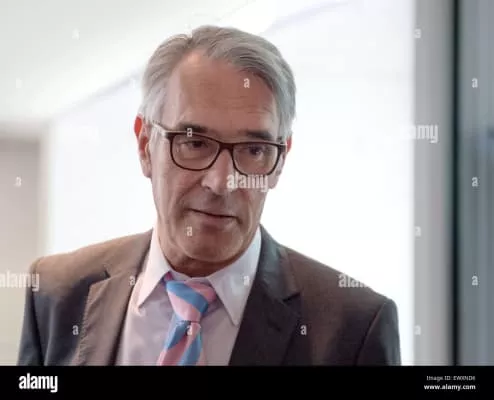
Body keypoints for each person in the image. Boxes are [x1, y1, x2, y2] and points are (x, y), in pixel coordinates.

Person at [17, 25, 401, 366]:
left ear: (280, 161)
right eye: (194, 143)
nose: (222, 182)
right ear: (145, 145)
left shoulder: (352, 329)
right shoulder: (58, 292)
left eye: (253, 150)